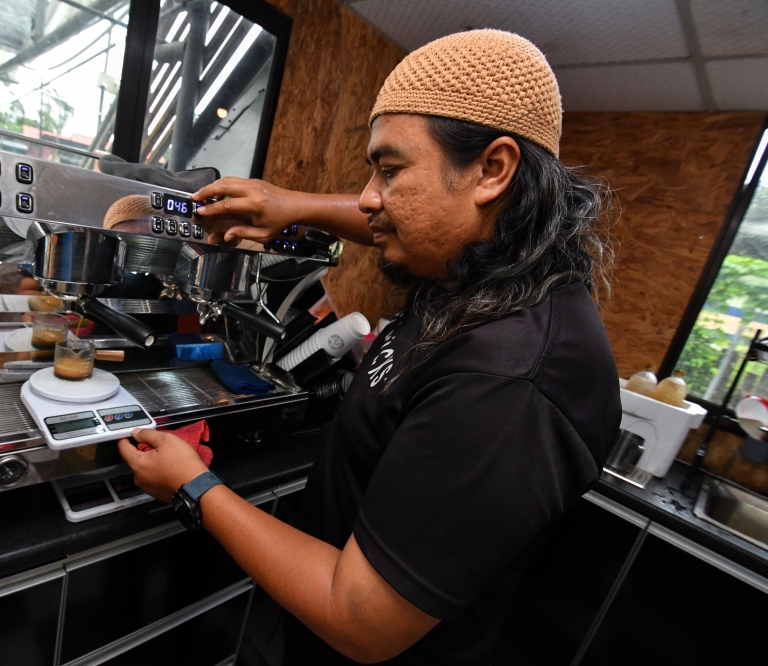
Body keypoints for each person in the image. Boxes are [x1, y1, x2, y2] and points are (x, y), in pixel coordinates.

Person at [118, 29, 622, 665]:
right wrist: (293, 205)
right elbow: (409, 214)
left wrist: (193, 487)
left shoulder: (509, 383)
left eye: (389, 169)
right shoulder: (483, 270)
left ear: (492, 170)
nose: (368, 198)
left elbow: (361, 618)